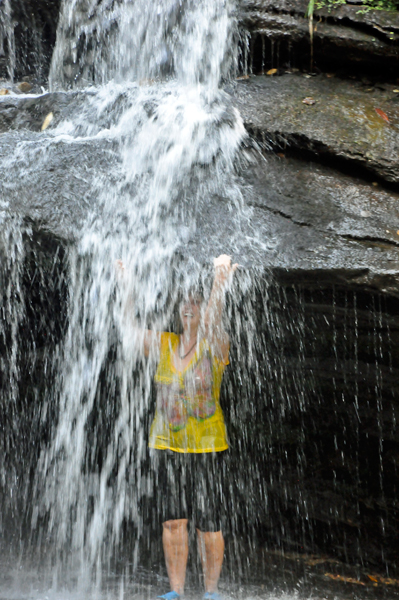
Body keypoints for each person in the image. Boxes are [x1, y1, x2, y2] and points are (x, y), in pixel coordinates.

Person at [119, 254, 237, 600]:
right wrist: (125, 284)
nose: (189, 307)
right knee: (173, 522)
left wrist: (218, 284)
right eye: (185, 301)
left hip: (208, 447)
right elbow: (127, 332)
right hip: (167, 444)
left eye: (196, 302)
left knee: (209, 524)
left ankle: (212, 592)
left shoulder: (217, 344)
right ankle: (175, 592)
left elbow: (213, 324)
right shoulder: (166, 342)